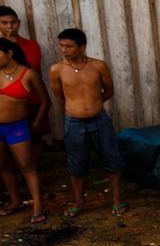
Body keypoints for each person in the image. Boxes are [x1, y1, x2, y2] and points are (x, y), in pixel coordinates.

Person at [49, 28, 126, 217]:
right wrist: (73, 110)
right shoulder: (57, 70)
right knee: (76, 164)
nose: (64, 50)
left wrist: (93, 105)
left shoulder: (98, 66)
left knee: (112, 158)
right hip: (73, 122)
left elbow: (108, 91)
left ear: (82, 47)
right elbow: (59, 97)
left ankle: (117, 199)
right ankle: (79, 202)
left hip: (99, 119)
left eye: (69, 46)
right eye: (61, 46)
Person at [0, 38, 49, 222]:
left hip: (17, 126)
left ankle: (38, 206)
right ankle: (15, 201)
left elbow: (45, 101)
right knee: (3, 164)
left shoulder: (28, 74)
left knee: (25, 165)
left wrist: (37, 123)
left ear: (9, 53)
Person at [0, 5, 48, 195]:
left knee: (34, 138)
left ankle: (31, 178)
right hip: (0, 102)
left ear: (18, 23)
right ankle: (1, 180)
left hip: (28, 98)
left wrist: (12, 49)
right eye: (5, 23)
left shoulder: (30, 45)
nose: (10, 26)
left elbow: (30, 66)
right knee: (0, 147)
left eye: (13, 22)